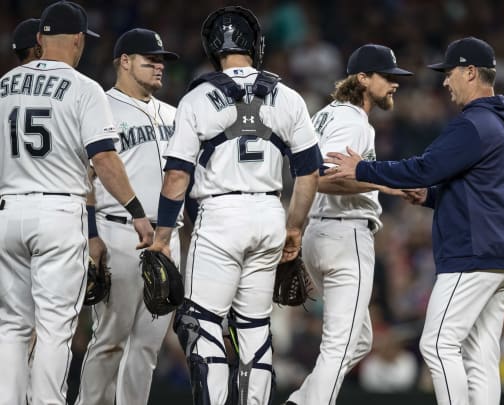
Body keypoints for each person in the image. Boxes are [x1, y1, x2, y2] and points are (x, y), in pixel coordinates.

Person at [324, 36, 504, 405]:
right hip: (503, 256)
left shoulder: (475, 123)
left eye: (449, 73)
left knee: (437, 343)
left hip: (474, 254)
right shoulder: (502, 123)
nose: (445, 82)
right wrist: (430, 197)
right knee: (480, 354)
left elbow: (424, 167)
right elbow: (480, 189)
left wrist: (363, 167)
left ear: (470, 72)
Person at [146, 6, 321, 405]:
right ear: (255, 45)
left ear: (213, 48)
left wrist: (162, 237)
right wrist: (294, 228)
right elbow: (309, 173)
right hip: (269, 215)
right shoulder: (289, 96)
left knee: (201, 324)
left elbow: (176, 177)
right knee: (255, 327)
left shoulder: (196, 97)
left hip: (221, 217)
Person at [0, 2, 154, 404]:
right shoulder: (84, 87)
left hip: (8, 210)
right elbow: (103, 159)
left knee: (12, 326)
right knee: (54, 326)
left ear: (38, 38)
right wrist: (137, 211)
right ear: (78, 40)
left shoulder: (3, 84)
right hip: (57, 213)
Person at [283, 44, 411, 405]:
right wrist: (383, 182)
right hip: (345, 233)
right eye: (387, 77)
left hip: (320, 233)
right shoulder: (352, 120)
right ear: (363, 78)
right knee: (339, 347)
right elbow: (318, 176)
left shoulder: (325, 114)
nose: (394, 84)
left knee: (359, 341)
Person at [75, 28, 180, 405]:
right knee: (109, 340)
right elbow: (84, 177)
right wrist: (90, 236)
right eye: (149, 59)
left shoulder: (173, 113)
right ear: (123, 61)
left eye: (161, 61)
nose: (158, 66)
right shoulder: (98, 106)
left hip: (167, 236)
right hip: (118, 230)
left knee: (148, 347)